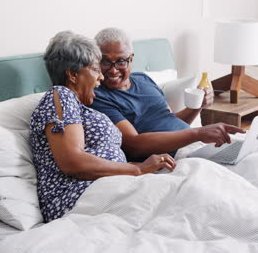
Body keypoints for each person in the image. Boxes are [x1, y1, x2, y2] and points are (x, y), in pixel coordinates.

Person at [29, 31, 176, 222]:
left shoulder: (77, 106)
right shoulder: (60, 96)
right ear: (73, 75)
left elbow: (97, 158)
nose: (101, 77)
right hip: (75, 197)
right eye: (95, 70)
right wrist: (138, 170)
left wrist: (145, 167)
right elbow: (72, 162)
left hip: (106, 188)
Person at [90, 28, 245, 161]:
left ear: (131, 59)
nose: (113, 70)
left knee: (254, 157)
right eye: (105, 62)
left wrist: (198, 106)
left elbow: (170, 121)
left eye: (120, 61)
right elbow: (134, 145)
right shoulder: (98, 97)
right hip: (171, 158)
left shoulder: (144, 79)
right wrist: (197, 133)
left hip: (195, 147)